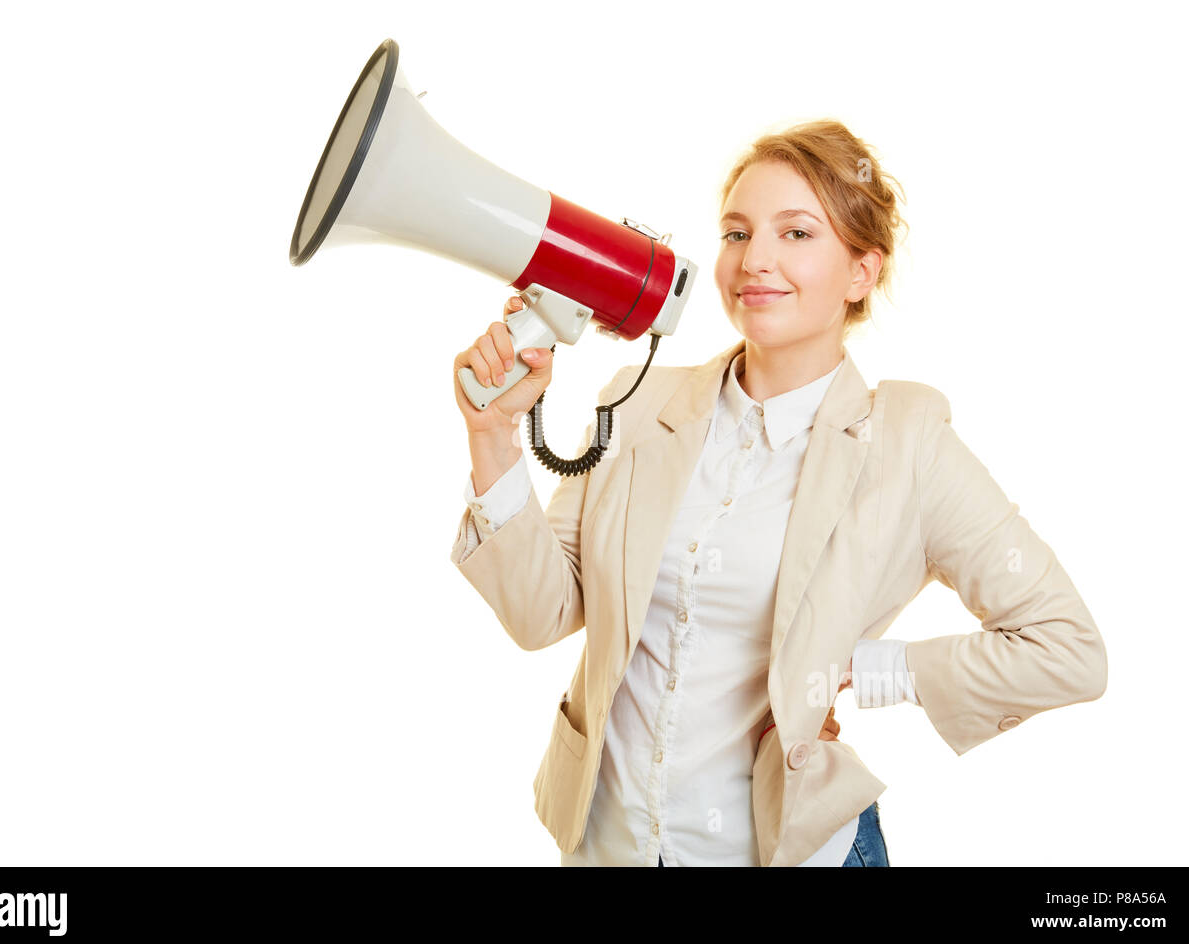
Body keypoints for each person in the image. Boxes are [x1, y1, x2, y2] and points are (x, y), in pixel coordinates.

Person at [449, 119, 1107, 866]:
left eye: (796, 234)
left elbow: (1069, 650)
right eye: (736, 233)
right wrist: (494, 436)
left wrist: (856, 664)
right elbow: (543, 614)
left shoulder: (908, 444)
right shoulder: (636, 407)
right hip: (611, 844)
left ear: (862, 273)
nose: (754, 260)